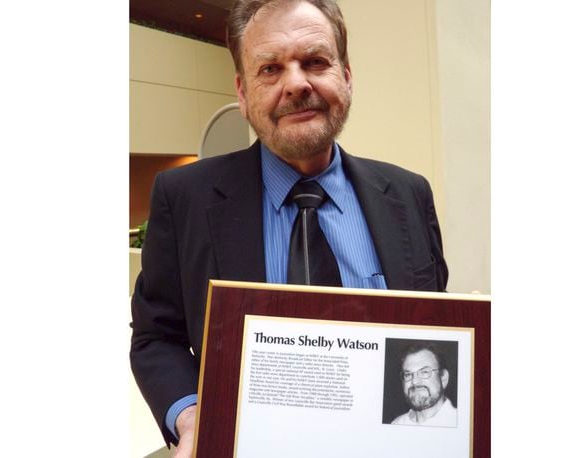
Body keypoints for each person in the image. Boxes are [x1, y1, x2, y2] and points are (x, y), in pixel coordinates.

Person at [130, 0, 448, 455]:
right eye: (270, 69)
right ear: (242, 93)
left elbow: (432, 330)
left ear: (347, 76)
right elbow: (157, 335)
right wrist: (193, 416)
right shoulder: (184, 199)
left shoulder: (409, 195)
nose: (296, 83)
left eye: (316, 62)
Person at [391, 343, 457, 427]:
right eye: (408, 374)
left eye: (424, 372)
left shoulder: (460, 423)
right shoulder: (397, 424)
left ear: (443, 378)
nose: (414, 381)